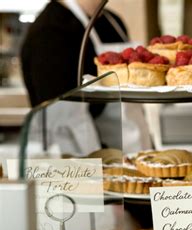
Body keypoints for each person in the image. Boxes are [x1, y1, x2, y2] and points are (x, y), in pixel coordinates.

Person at [21, 0, 151, 155]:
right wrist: (105, 166)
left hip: (136, 151)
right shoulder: (49, 32)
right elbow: (63, 125)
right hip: (86, 162)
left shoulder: (113, 21)